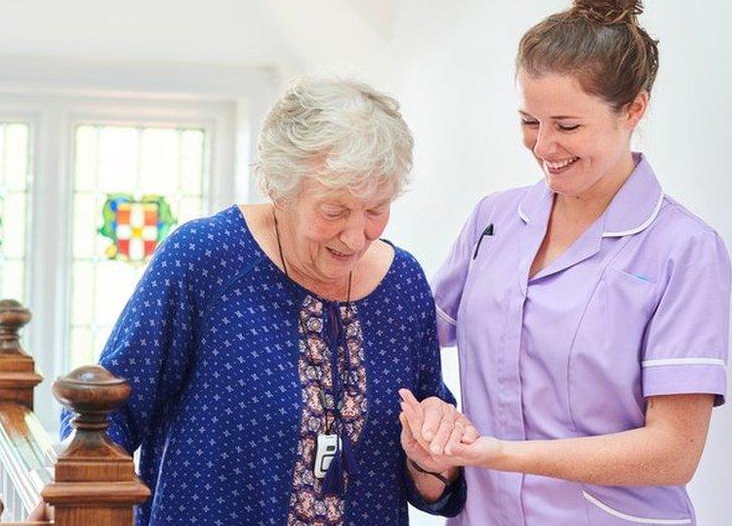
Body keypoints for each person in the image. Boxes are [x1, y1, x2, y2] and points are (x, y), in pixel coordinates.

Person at [39, 78, 468, 525]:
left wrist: (432, 458)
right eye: (334, 210)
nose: (356, 235)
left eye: (376, 209)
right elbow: (109, 412)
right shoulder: (205, 259)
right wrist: (72, 490)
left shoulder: (402, 285)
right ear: (279, 188)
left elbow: (431, 480)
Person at [399, 0, 732, 524]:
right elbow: (409, 332)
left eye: (568, 126)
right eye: (529, 122)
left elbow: (674, 452)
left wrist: (499, 454)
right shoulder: (494, 220)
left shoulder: (683, 250)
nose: (544, 147)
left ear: (634, 109)